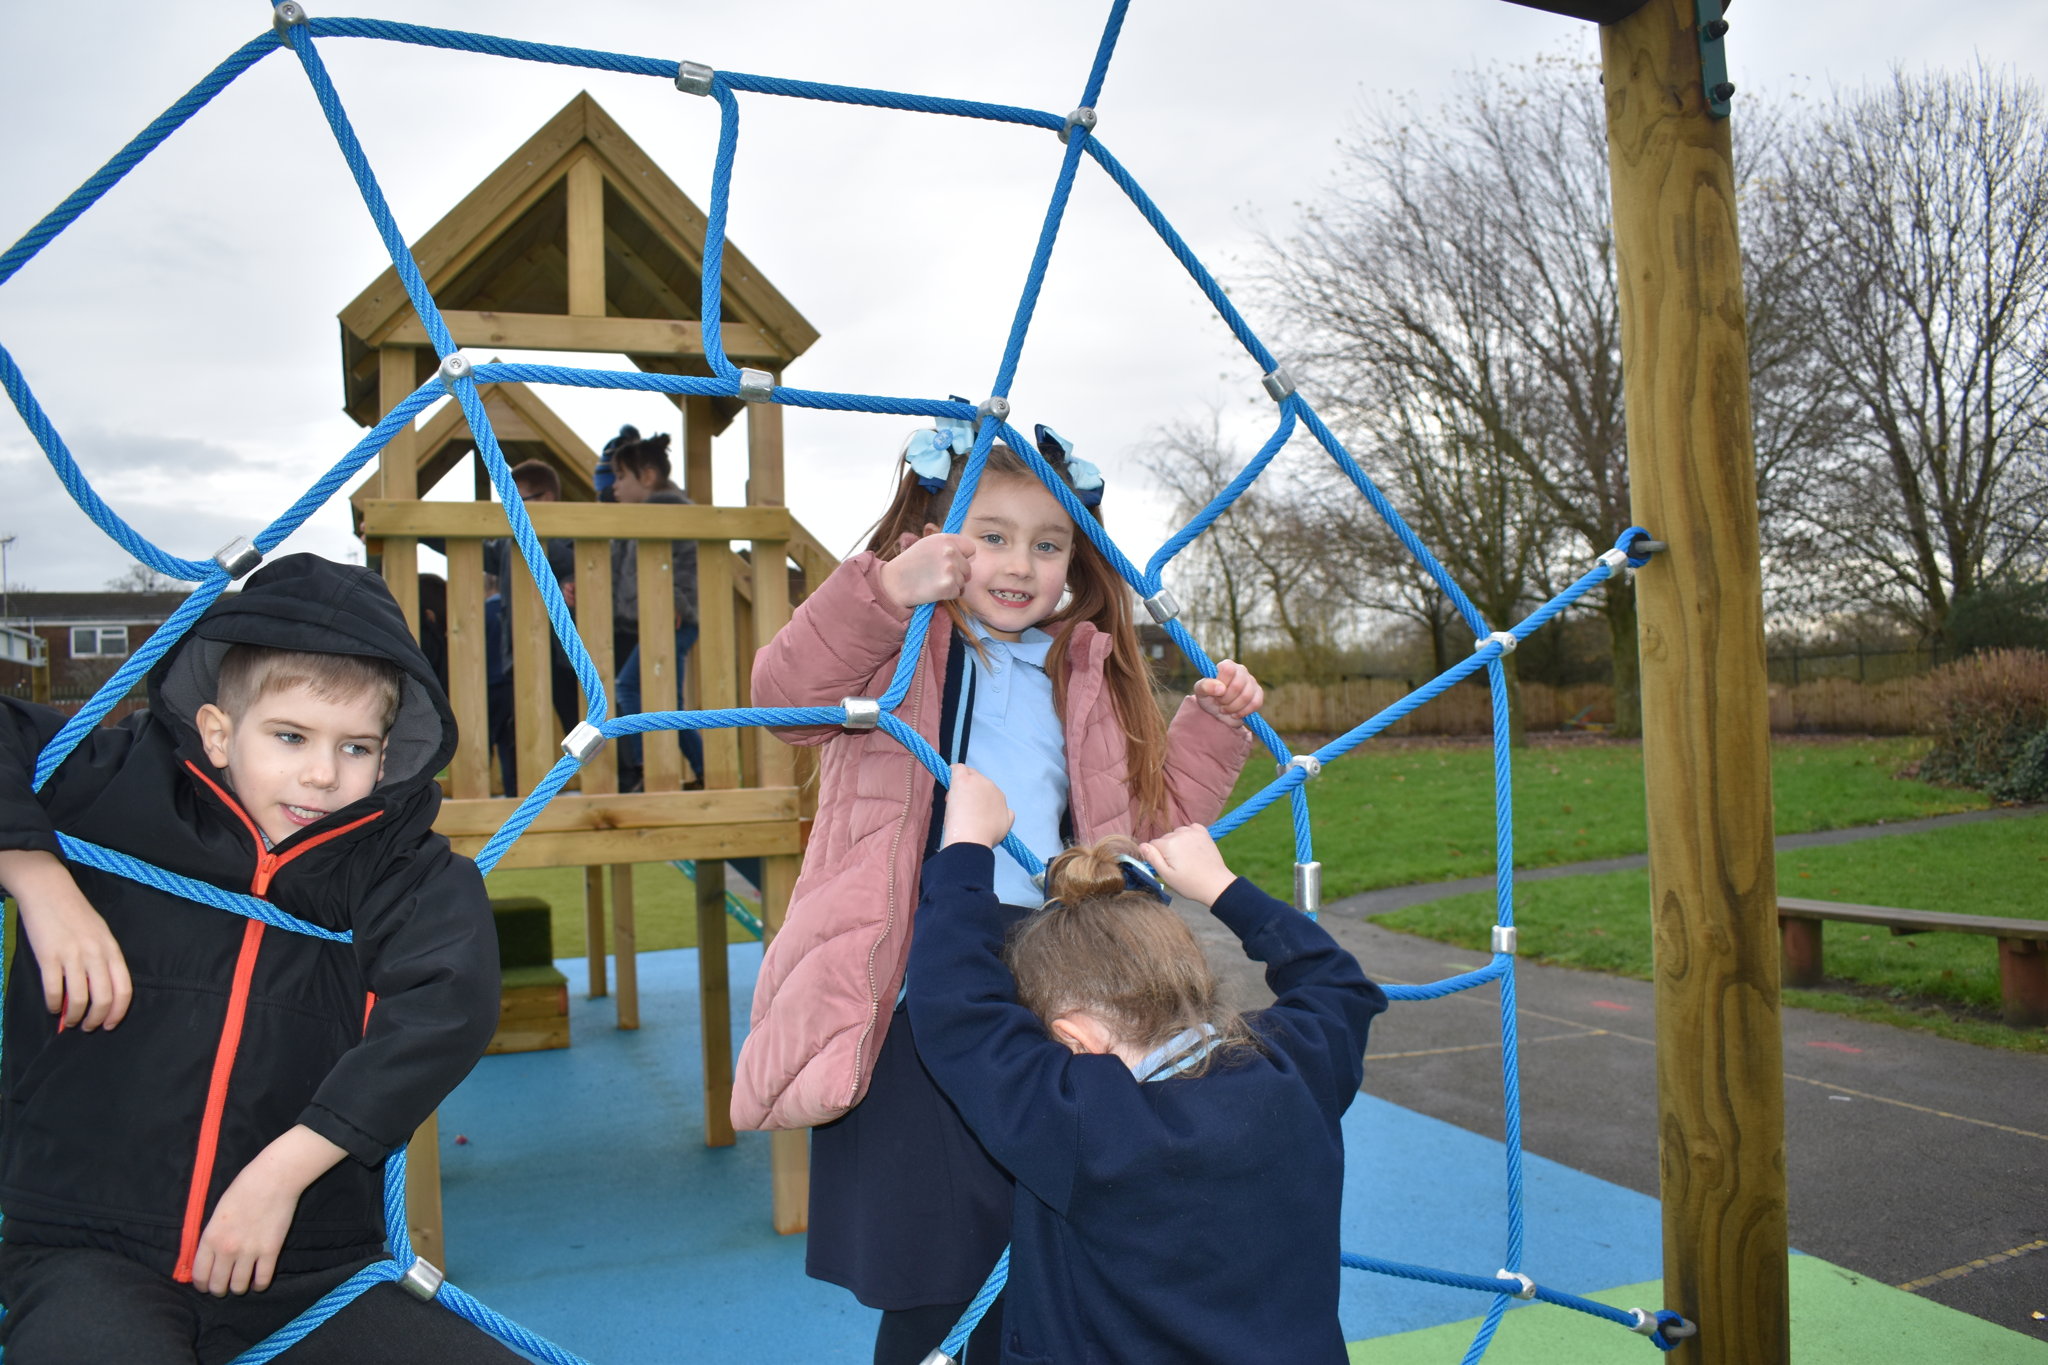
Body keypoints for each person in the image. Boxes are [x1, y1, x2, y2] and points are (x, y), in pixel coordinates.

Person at [733, 422, 1266, 1363]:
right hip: (919, 967)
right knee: (937, 1258)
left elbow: (1152, 824)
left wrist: (1214, 727)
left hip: (1056, 977)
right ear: (940, 537)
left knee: (1051, 1242)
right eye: (991, 535)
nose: (1021, 564)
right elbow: (782, 696)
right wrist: (887, 588)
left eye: (1048, 542)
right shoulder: (897, 657)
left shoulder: (1083, 666)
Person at [0, 554, 514, 1365]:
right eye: (290, 735)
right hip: (90, 1247)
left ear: (385, 758)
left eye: (355, 747)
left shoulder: (389, 868)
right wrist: (39, 880)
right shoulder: (117, 789)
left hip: (303, 1261)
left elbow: (449, 999)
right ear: (216, 730)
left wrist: (285, 1170)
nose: (321, 772)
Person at [911, 768, 1386, 1364]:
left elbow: (955, 1009)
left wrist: (963, 849)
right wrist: (1221, 886)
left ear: (1072, 1039)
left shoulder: (1084, 1123)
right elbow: (1341, 986)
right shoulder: (1295, 1066)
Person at [609, 433, 703, 790]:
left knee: (630, 687)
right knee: (661, 697)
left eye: (622, 477)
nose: (615, 486)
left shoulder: (666, 510)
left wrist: (674, 603)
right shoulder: (646, 514)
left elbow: (681, 563)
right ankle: (696, 769)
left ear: (647, 477)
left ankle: (646, 767)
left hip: (672, 616)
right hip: (660, 616)